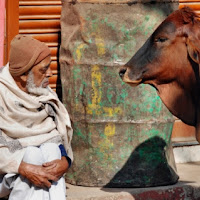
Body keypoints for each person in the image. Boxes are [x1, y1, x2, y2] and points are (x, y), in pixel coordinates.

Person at [0, 34, 73, 200]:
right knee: (31, 155)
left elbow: (56, 137)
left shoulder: (44, 94)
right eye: (43, 69)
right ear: (24, 75)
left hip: (31, 175)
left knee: (51, 150)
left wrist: (65, 161)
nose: (51, 73)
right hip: (4, 174)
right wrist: (23, 167)